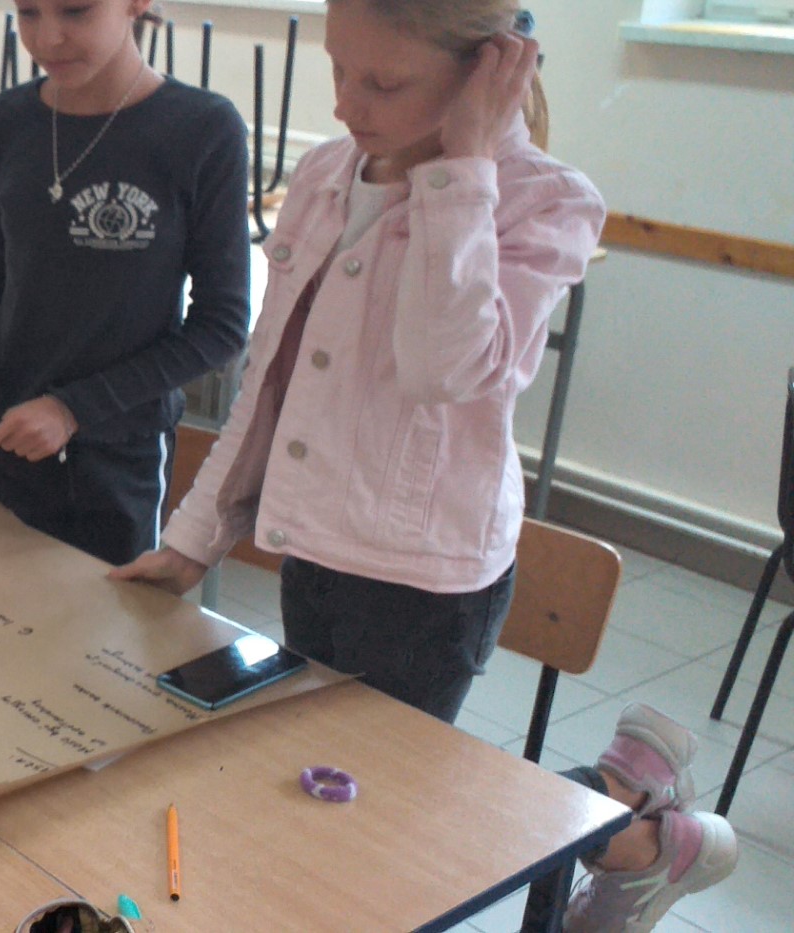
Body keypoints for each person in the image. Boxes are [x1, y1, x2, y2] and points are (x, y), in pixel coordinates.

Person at [109, 3, 736, 927]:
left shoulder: (544, 198)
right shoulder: (328, 173)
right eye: (340, 67)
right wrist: (194, 538)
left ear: (491, 71)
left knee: (376, 821)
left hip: (427, 588)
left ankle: (640, 837)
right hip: (316, 556)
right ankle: (627, 788)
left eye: (384, 81)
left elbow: (447, 368)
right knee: (328, 795)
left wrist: (463, 166)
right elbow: (268, 380)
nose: (347, 103)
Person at [0, 0, 251, 565]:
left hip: (118, 451)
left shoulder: (201, 128)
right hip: (6, 436)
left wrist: (71, 409)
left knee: (102, 614)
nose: (47, 38)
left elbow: (221, 325)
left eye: (76, 11)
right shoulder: (7, 119)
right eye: (28, 12)